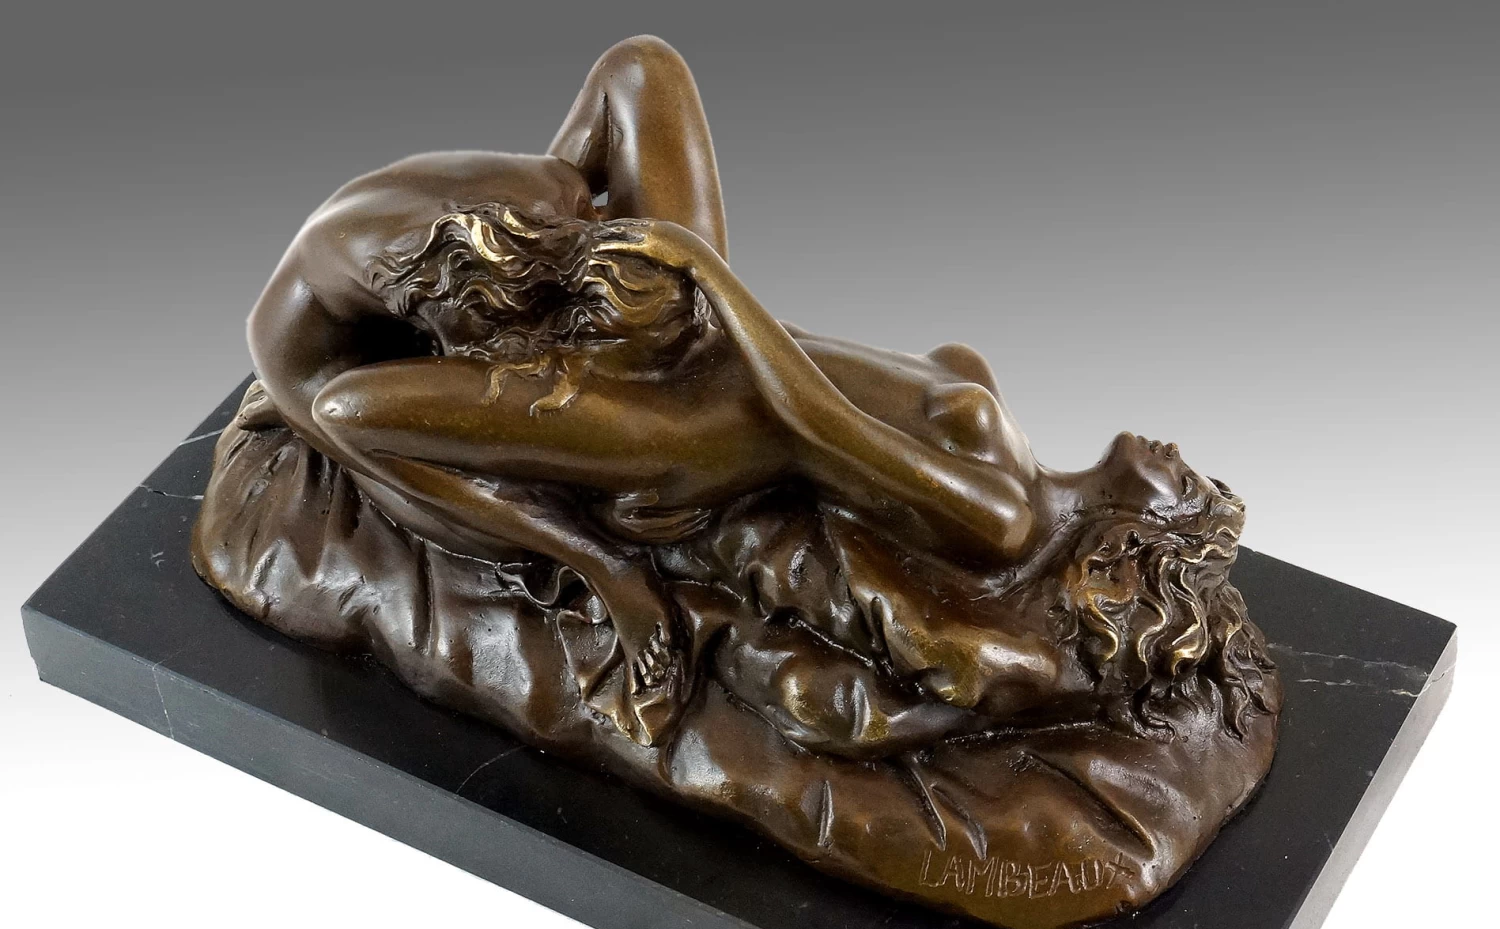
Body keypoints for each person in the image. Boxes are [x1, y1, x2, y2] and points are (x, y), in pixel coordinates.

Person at [245, 35, 1221, 739]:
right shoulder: (1011, 448)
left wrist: (704, 276)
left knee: (343, 411)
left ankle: (598, 552)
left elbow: (812, 428)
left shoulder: (1004, 523)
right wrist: (636, 268)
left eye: (1186, 491)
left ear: (1135, 540)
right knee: (643, 68)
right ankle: (509, 303)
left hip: (674, 427)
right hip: (694, 332)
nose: (1182, 462)